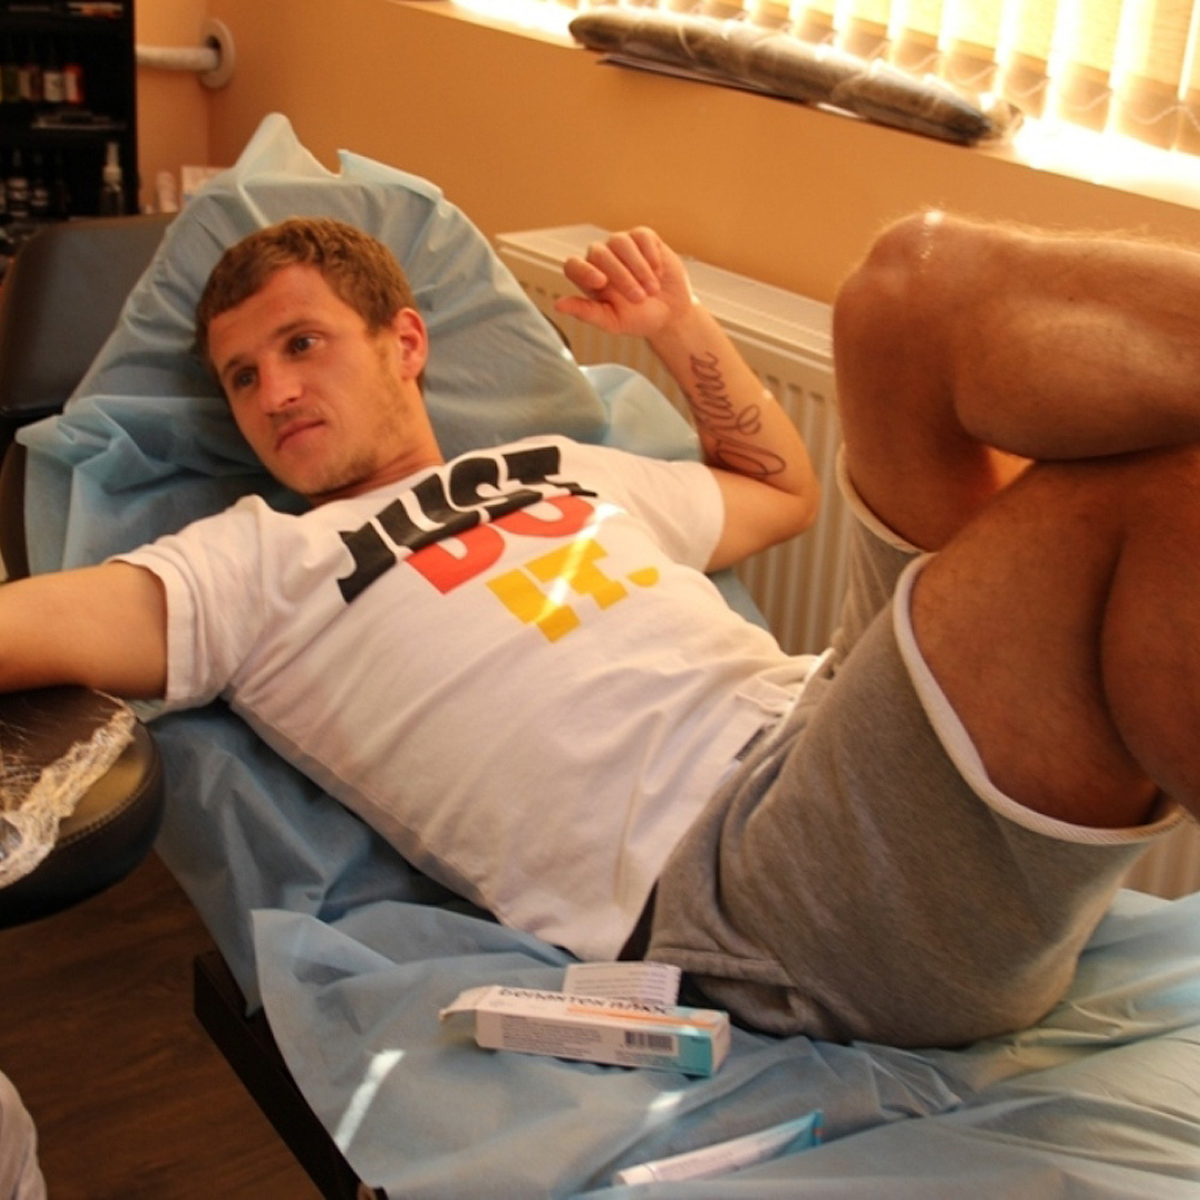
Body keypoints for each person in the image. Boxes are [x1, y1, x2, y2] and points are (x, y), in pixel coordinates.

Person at [0, 214, 1193, 1048]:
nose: (275, 395)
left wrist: (678, 327)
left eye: (300, 344)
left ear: (405, 344)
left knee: (904, 292)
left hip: (825, 712)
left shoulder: (564, 465)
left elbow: (782, 490)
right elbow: (26, 626)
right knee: (1160, 494)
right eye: (242, 377)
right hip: (745, 879)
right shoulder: (253, 562)